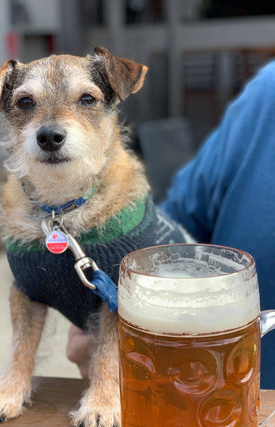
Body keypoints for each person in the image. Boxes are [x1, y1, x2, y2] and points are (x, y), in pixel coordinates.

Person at [67, 60, 275, 388]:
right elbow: (171, 226)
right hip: (194, 400)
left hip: (238, 413)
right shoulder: (269, 94)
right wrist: (107, 290)